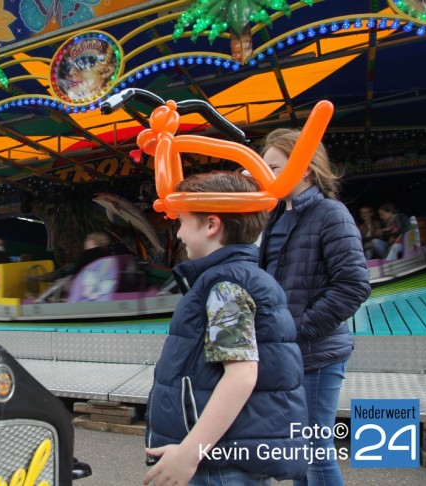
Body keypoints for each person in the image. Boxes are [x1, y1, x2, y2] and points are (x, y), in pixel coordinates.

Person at [144, 172, 307, 485]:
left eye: (183, 222)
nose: (178, 234)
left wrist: (191, 452)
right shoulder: (236, 278)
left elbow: (241, 374)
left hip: (217, 464)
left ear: (211, 224)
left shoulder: (226, 287)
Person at [259, 129, 371, 486]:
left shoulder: (330, 214)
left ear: (304, 169)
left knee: (315, 452)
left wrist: (298, 328)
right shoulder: (276, 217)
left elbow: (353, 286)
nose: (266, 175)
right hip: (286, 355)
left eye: (274, 167)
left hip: (318, 355)